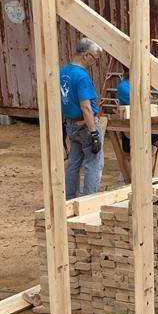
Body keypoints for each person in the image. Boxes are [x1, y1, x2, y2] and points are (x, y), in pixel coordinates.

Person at [60, 37, 104, 200]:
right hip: (86, 125)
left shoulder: (63, 72)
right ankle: (89, 201)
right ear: (86, 55)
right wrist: (94, 134)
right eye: (94, 58)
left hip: (71, 125)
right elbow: (86, 108)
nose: (95, 62)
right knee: (93, 164)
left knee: (73, 163)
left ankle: (70, 199)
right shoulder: (82, 77)